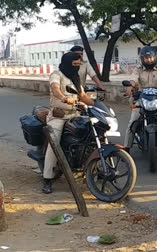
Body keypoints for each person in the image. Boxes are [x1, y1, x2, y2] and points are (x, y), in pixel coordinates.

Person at [43, 52, 94, 193]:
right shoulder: (56, 75)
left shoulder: (75, 78)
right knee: (54, 145)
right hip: (58, 117)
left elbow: (82, 96)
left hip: (75, 115)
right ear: (67, 63)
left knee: (89, 136)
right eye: (75, 64)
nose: (77, 67)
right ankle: (47, 178)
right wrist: (64, 98)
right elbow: (55, 89)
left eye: (78, 65)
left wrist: (96, 104)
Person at [123, 46, 157, 152]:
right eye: (146, 58)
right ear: (142, 59)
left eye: (150, 58)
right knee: (133, 119)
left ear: (155, 57)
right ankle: (126, 147)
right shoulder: (138, 68)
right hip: (142, 97)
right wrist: (129, 87)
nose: (148, 60)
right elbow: (133, 80)